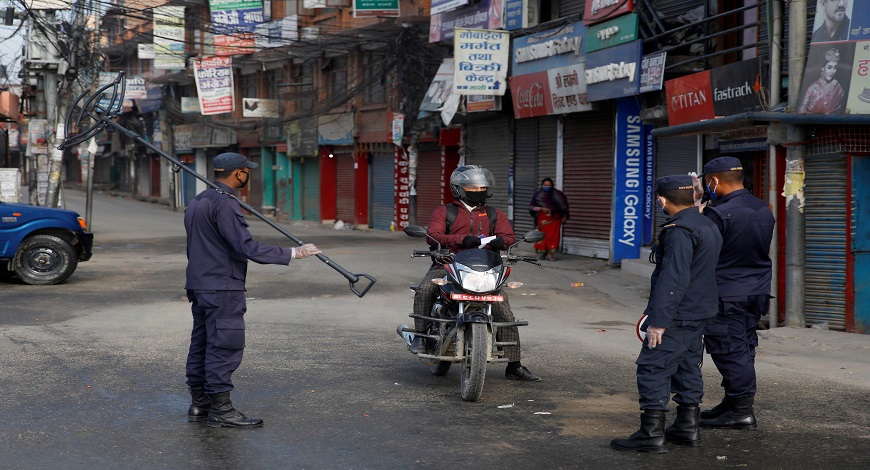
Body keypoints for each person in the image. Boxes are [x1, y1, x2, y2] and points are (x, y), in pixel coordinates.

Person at [184, 152, 321, 428]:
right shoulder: (225, 204)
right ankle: (221, 411)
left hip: (200, 285)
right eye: (248, 171)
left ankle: (200, 405)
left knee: (202, 345)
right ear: (238, 173)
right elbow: (244, 247)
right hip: (222, 287)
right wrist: (293, 253)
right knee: (224, 346)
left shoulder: (198, 200)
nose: (249, 175)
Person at [611, 175, 722, 453]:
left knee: (652, 367)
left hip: (678, 313)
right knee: (687, 364)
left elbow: (673, 279)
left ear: (661, 200)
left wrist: (658, 322)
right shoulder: (707, 223)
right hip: (700, 310)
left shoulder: (679, 230)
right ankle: (687, 428)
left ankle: (650, 435)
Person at [410, 165, 541, 382]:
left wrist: (503, 241)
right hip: (448, 263)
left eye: (482, 186)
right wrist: (461, 240)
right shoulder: (445, 212)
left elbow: (508, 236)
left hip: (485, 267)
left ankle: (514, 365)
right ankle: (421, 337)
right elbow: (432, 236)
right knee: (425, 289)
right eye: (472, 186)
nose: (478, 190)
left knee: (503, 309)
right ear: (458, 188)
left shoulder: (494, 213)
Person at [695, 156, 775, 430]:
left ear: (714, 181)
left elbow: (702, 252)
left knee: (729, 350)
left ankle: (741, 410)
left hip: (726, 291)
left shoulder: (718, 214)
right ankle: (732, 402)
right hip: (756, 290)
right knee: (743, 347)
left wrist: (698, 213)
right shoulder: (763, 208)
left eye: (707, 183)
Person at [529, 178, 569, 261]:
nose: (547, 187)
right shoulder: (538, 195)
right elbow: (531, 207)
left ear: (552, 185)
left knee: (553, 237)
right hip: (543, 219)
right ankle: (542, 253)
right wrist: (541, 208)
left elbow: (564, 206)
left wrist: (565, 216)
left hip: (555, 220)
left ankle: (551, 255)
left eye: (549, 185)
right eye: (545, 185)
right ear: (542, 185)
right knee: (542, 236)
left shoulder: (558, 195)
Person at [798, 47, 846, 114]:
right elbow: (801, 111)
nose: (832, 71)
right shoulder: (813, 88)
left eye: (835, 68)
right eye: (829, 67)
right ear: (822, 68)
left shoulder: (837, 87)